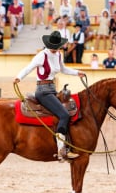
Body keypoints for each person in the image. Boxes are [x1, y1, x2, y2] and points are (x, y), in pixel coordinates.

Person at [13, 31, 85, 162]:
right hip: (43, 91)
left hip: (52, 89)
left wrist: (77, 72)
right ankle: (61, 150)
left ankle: (65, 146)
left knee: (65, 111)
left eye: (56, 46)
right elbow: (29, 68)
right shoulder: (41, 55)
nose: (54, 49)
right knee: (64, 115)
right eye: (53, 46)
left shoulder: (58, 55)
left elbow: (63, 69)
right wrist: (19, 77)